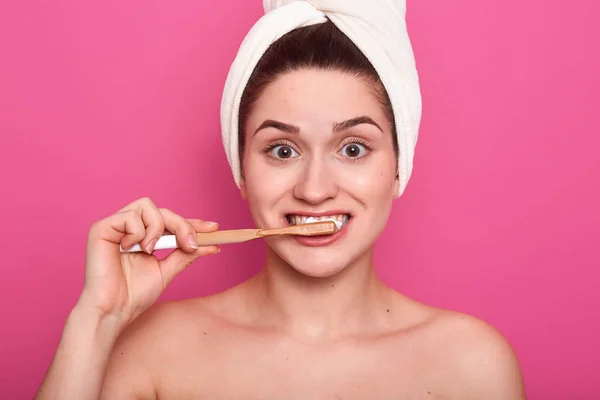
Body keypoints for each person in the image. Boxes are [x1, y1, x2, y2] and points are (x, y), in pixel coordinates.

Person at [36, 2, 526, 399]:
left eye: (353, 148)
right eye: (282, 150)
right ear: (241, 168)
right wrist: (94, 323)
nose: (314, 189)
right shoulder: (151, 353)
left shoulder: (472, 365)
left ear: (400, 166)